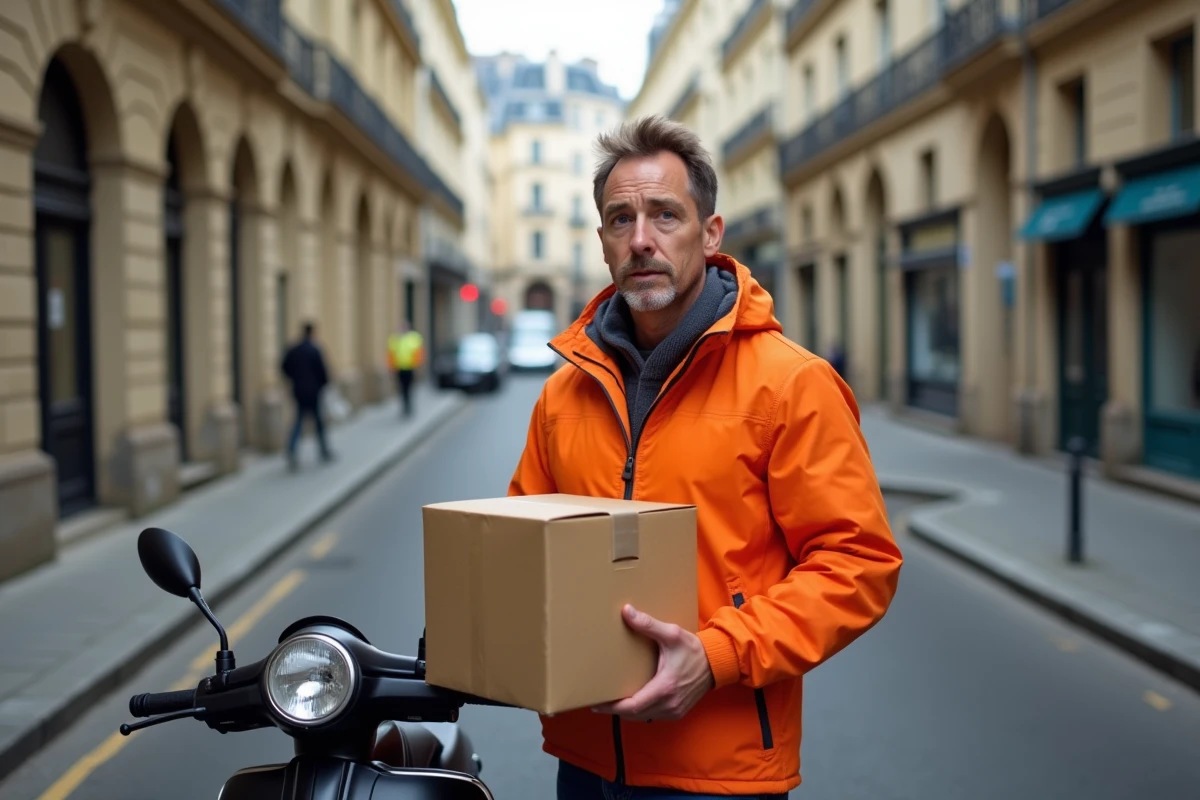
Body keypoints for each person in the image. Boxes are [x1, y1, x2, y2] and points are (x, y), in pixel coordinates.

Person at [508, 116, 903, 798]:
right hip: (585, 760)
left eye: (666, 215)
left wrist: (716, 656)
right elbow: (522, 544)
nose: (642, 240)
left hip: (719, 770)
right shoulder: (562, 394)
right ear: (602, 242)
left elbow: (858, 564)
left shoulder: (790, 383)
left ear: (710, 234)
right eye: (620, 219)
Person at [281, 321, 333, 469]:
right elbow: (322, 371)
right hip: (313, 392)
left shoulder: (294, 349)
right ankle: (323, 450)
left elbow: (284, 367)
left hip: (298, 391)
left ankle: (291, 449)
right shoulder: (314, 350)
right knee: (318, 422)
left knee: (298, 421)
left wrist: (294, 379)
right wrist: (323, 385)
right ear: (312, 333)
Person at [387, 321, 425, 418]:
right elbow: (391, 354)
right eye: (401, 327)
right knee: (402, 388)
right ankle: (404, 407)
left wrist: (418, 366)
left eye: (404, 327)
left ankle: (409, 406)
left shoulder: (414, 338)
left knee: (409, 388)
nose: (402, 329)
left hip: (410, 367)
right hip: (399, 368)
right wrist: (391, 367)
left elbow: (419, 353)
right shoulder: (395, 338)